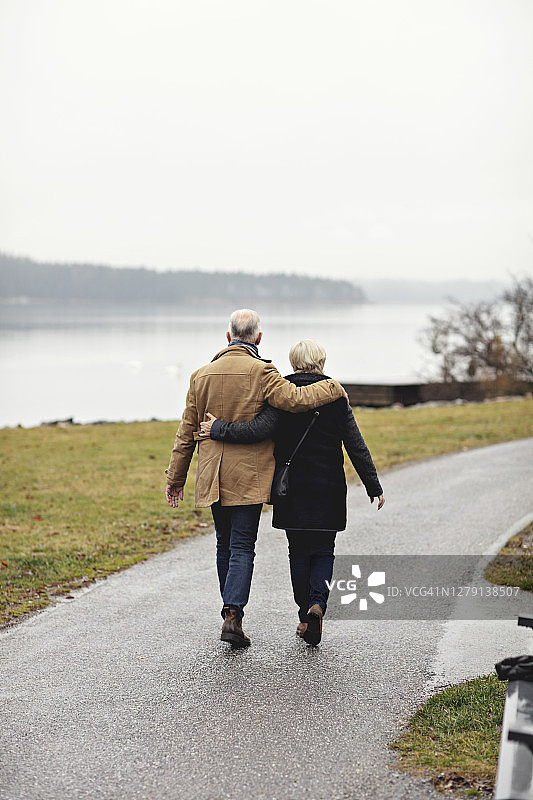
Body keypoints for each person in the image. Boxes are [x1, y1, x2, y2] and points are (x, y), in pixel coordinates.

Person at [165, 311, 348, 648]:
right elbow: (295, 400)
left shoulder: (200, 376)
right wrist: (333, 386)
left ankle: (231, 615)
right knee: (241, 545)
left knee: (224, 543)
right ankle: (233, 613)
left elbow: (185, 432)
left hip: (212, 475)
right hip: (247, 477)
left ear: (227, 336)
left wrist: (176, 477)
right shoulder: (264, 372)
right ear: (258, 338)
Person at [199, 339, 384, 646]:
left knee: (297, 552)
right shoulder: (336, 396)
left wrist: (219, 428)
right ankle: (317, 605)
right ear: (321, 361)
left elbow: (258, 429)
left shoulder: (280, 394)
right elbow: (355, 444)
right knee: (324, 550)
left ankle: (303, 616)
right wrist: (373, 485)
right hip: (328, 488)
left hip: (290, 487)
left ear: (293, 361)